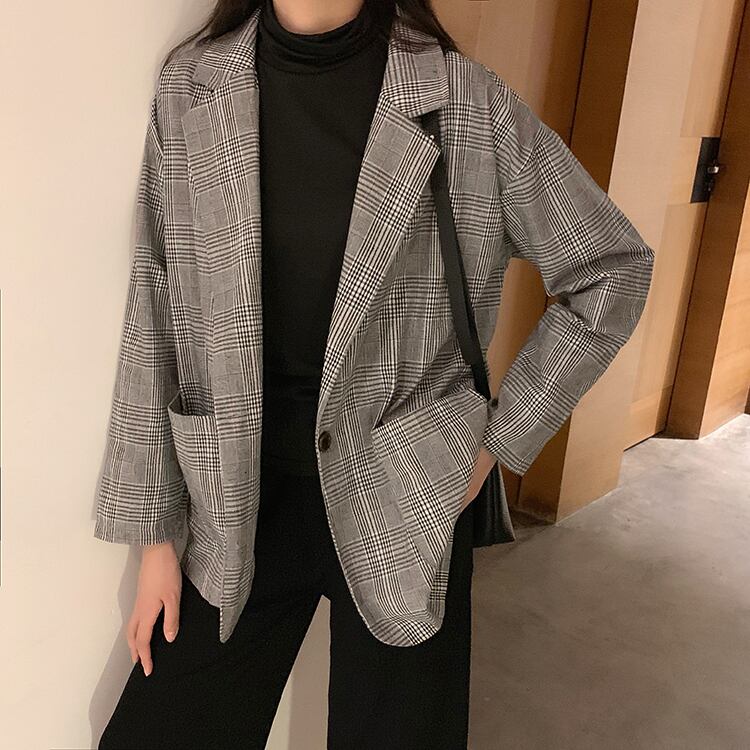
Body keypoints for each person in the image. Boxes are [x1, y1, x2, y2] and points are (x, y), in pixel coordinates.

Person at [93, 1, 655, 748]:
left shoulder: (464, 101)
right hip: (236, 500)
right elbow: (155, 303)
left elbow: (612, 267)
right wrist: (157, 538)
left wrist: (496, 442)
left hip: (408, 495)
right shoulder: (192, 85)